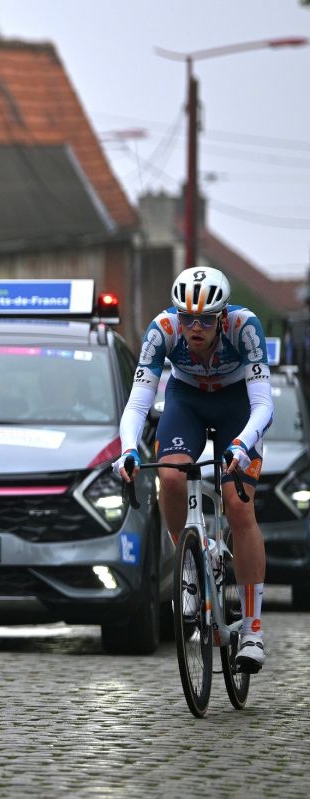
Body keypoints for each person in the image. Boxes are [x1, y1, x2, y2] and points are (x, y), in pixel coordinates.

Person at [115, 266, 272, 673]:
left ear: (222, 316)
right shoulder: (162, 330)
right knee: (170, 476)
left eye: (205, 319)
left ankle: (252, 630)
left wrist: (242, 443)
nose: (195, 328)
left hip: (237, 403)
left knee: (238, 507)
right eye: (188, 318)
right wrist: (128, 448)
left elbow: (263, 404)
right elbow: (138, 402)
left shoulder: (245, 328)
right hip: (186, 399)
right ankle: (189, 568)